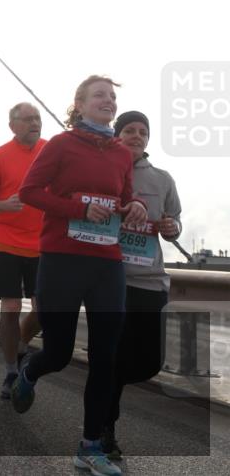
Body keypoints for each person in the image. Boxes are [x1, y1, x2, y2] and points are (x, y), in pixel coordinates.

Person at [11, 76, 147, 476]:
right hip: (62, 259)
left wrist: (136, 205)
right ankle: (30, 371)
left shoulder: (121, 153)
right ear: (80, 104)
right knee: (59, 353)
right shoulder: (61, 144)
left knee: (106, 358)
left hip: (107, 263)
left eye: (113, 96)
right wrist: (78, 209)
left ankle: (90, 446)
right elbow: (30, 192)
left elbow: (125, 196)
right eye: (100, 95)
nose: (109, 100)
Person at [104, 111, 182, 460]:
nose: (137, 136)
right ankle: (104, 429)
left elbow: (175, 220)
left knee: (149, 362)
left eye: (143, 132)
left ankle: (108, 383)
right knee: (113, 357)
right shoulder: (103, 171)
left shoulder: (162, 179)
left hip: (150, 281)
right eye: (129, 130)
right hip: (110, 279)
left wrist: (172, 228)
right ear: (117, 135)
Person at [0, 102, 46, 399]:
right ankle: (11, 371)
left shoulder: (50, 151)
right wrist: (4, 205)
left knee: (44, 309)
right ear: (13, 125)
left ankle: (21, 347)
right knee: (11, 307)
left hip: (43, 245)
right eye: (28, 119)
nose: (35, 123)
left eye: (37, 118)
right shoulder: (0, 156)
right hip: (4, 243)